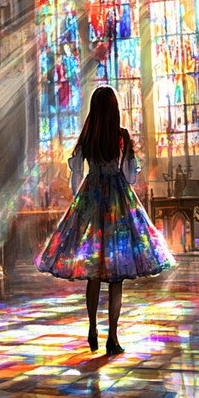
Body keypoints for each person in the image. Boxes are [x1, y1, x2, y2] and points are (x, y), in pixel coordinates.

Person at [35, 86, 176, 354]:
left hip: (92, 199)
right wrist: (127, 171)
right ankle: (113, 337)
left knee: (93, 273)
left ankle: (91, 329)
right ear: (114, 110)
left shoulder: (87, 138)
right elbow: (130, 176)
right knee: (116, 276)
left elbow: (76, 176)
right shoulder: (121, 137)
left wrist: (83, 201)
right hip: (118, 204)